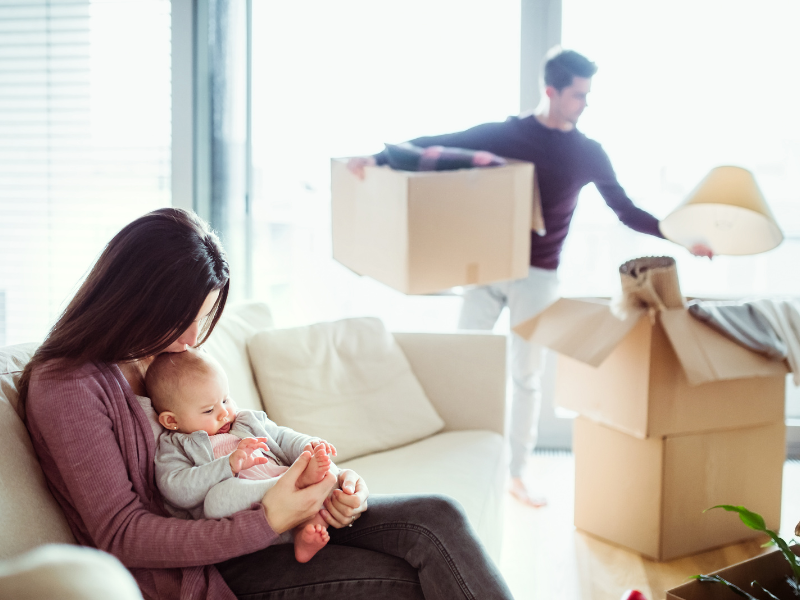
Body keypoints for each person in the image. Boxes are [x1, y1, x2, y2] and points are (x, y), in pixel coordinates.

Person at [19, 207, 514, 600]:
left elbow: (260, 435)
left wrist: (334, 488)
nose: (193, 338)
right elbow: (122, 534)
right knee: (402, 581)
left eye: (206, 315)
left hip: (271, 519)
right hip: (207, 565)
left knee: (438, 516)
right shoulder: (67, 387)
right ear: (134, 298)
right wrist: (270, 518)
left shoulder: (169, 355)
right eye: (179, 316)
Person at [348, 46, 713, 508]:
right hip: (486, 267)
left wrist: (683, 239)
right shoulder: (507, 135)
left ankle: (516, 475)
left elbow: (626, 210)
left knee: (525, 375)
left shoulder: (587, 152)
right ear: (551, 92)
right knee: (461, 359)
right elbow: (432, 144)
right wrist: (376, 157)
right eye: (579, 95)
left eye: (587, 95)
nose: (585, 104)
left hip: (538, 276)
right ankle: (456, 460)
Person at [147, 348, 339, 564]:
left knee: (329, 476)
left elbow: (282, 436)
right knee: (216, 499)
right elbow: (176, 489)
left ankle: (305, 533)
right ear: (172, 421)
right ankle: (295, 485)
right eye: (209, 410)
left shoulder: (244, 420)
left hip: (287, 497)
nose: (224, 412)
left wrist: (309, 444)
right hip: (242, 513)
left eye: (226, 399)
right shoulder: (175, 445)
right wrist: (226, 465)